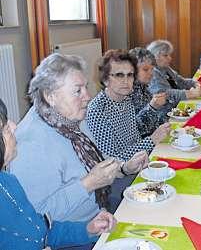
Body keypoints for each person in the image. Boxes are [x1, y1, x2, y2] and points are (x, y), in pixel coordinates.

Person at [10, 53, 148, 222]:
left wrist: (124, 168)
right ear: (50, 96)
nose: (87, 96)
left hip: (100, 207)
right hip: (76, 234)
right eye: (77, 91)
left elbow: (98, 160)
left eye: (86, 87)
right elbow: (38, 217)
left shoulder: (70, 118)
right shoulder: (31, 144)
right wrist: (88, 183)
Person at [0, 98, 116, 250]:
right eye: (5, 128)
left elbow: (43, 230)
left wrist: (87, 229)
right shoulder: (34, 141)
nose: (14, 127)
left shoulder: (8, 181)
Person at [87, 49, 171, 161]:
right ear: (105, 79)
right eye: (119, 75)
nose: (126, 81)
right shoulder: (98, 109)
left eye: (130, 75)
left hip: (138, 161)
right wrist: (152, 140)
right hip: (120, 175)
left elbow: (135, 141)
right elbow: (112, 160)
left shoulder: (126, 100)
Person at [147, 39, 201, 112]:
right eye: (165, 55)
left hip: (176, 107)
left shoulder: (165, 68)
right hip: (165, 113)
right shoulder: (153, 72)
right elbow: (164, 93)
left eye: (169, 55)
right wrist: (190, 93)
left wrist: (195, 83)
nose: (170, 58)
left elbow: (180, 81)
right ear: (155, 57)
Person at [129, 47, 168, 137]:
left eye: (152, 69)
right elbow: (135, 130)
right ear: (132, 70)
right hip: (143, 146)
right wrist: (152, 107)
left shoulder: (144, 88)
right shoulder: (128, 92)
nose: (151, 73)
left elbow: (154, 119)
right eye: (145, 69)